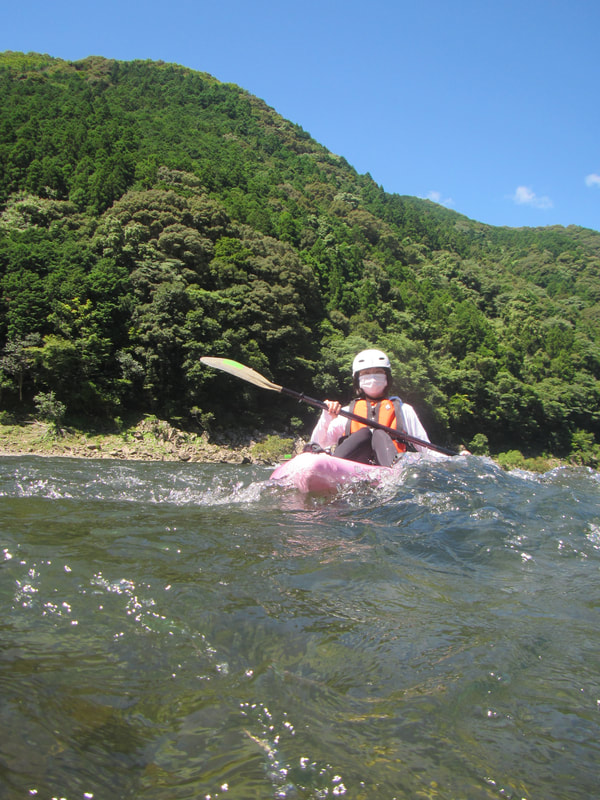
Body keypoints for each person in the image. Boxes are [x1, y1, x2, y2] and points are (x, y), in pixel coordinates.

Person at [307, 349, 433, 467]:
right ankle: (333, 468)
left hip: (386, 465)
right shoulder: (345, 412)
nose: (372, 377)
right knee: (364, 433)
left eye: (378, 372)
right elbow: (319, 445)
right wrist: (326, 416)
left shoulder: (404, 410)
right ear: (358, 380)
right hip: (351, 468)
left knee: (379, 434)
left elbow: (427, 449)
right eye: (366, 373)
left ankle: (394, 473)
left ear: (387, 377)